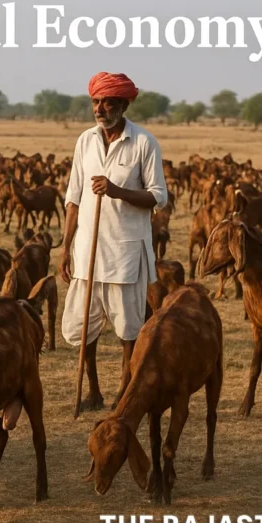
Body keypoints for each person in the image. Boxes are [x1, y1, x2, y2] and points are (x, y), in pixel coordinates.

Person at [59, 72, 168, 412]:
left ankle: (124, 389)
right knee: (83, 327)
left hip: (125, 251)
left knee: (128, 328)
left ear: (123, 104)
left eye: (107, 102)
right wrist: (65, 248)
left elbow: (158, 197)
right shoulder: (85, 141)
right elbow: (73, 197)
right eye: (96, 102)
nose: (100, 108)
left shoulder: (144, 143)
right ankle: (92, 390)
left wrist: (117, 191)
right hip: (87, 250)